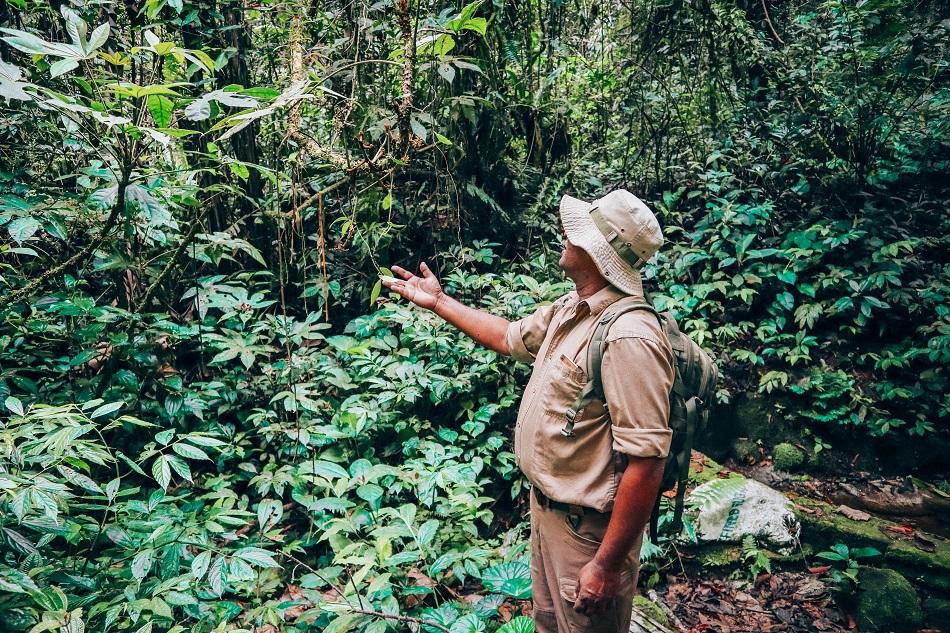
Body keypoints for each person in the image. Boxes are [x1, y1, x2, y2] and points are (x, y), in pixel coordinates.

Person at [383, 190, 674, 633]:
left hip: (588, 535)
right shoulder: (571, 310)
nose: (565, 238)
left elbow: (648, 460)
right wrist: (439, 303)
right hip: (549, 517)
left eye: (575, 235)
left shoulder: (630, 337)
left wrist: (607, 565)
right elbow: (508, 337)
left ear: (596, 253)